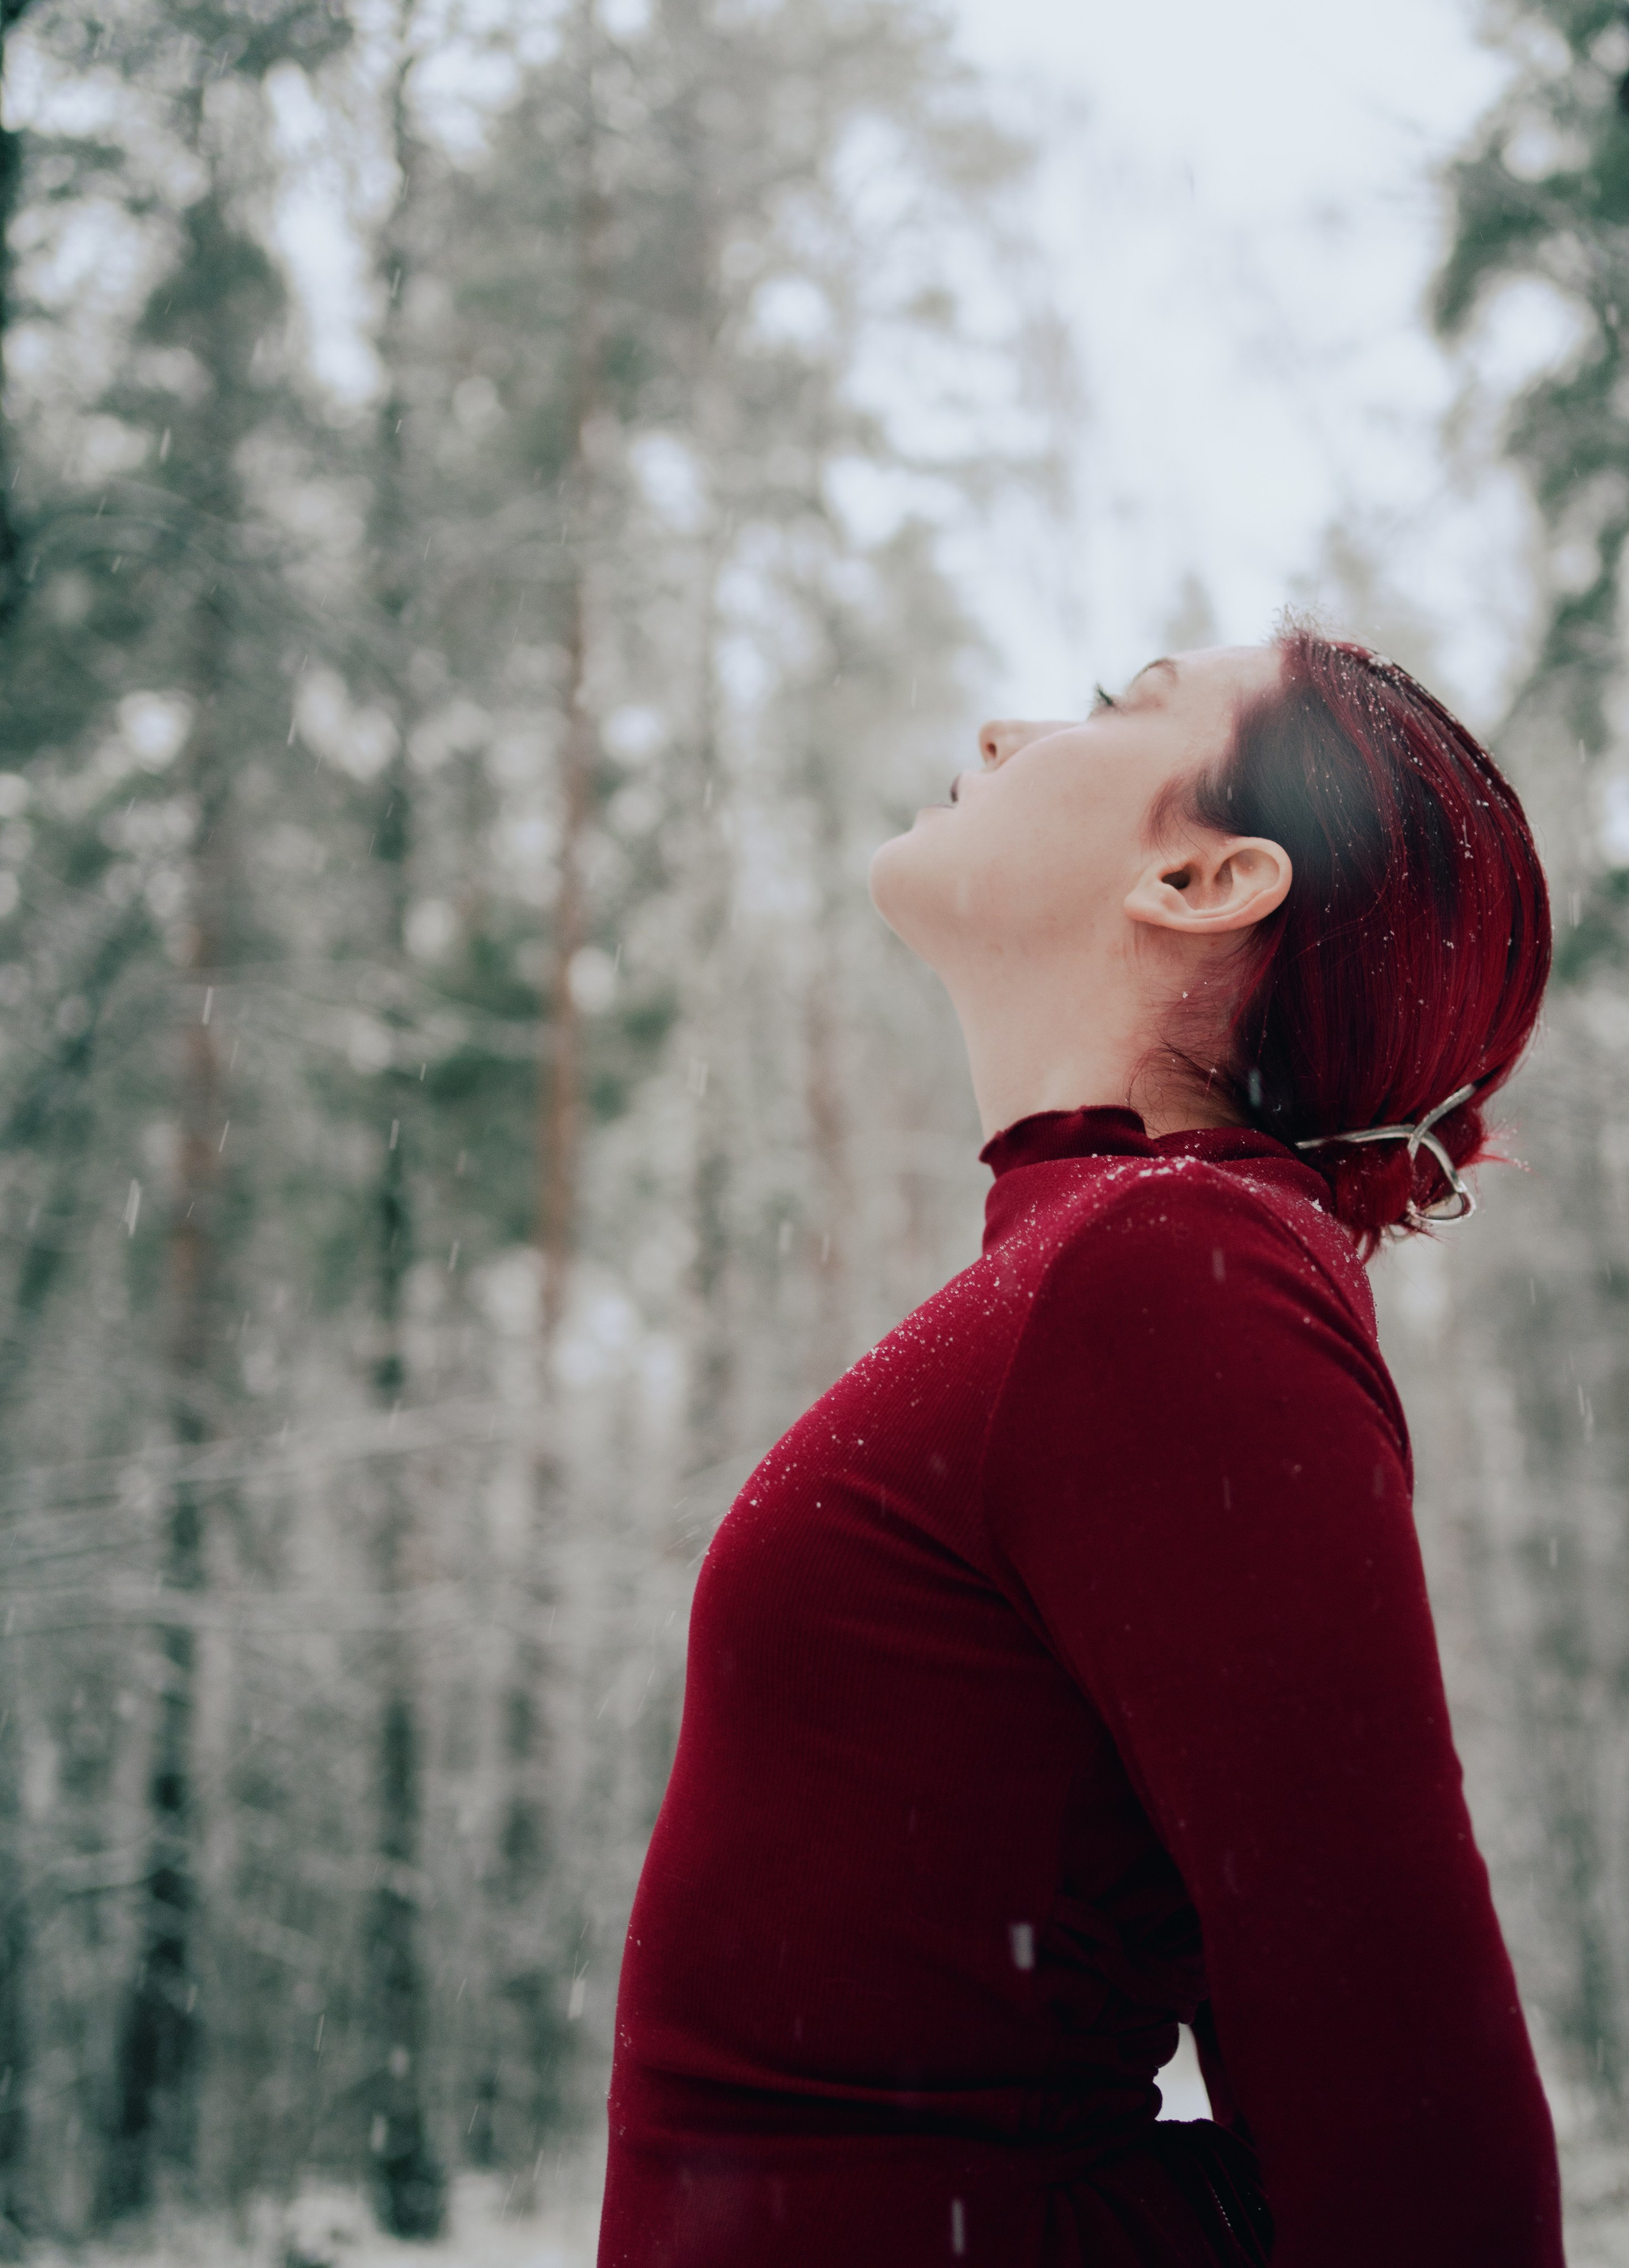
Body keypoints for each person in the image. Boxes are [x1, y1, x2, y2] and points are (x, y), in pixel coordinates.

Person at [596, 626, 1564, 2267]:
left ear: (1203, 880)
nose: (1000, 723)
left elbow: (1388, 2050)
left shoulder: (1174, 1275)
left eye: (1123, 704)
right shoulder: (1112, 1268)